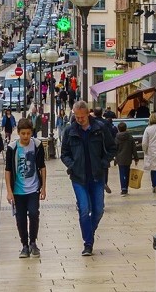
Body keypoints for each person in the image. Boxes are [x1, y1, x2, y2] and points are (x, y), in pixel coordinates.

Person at [58, 100, 115, 256]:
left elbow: (112, 148)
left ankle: (89, 230)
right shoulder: (70, 131)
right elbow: (64, 154)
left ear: (88, 113)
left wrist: (103, 163)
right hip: (78, 177)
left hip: (97, 176)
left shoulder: (100, 128)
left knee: (98, 210)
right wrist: (72, 165)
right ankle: (88, 243)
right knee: (84, 209)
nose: (80, 120)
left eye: (82, 117)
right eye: (77, 117)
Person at [6, 120, 47, 259]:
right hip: (18, 190)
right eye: (23, 133)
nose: (26, 136)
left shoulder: (37, 145)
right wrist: (9, 191)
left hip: (33, 188)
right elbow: (8, 170)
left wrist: (43, 188)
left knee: (34, 214)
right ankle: (24, 245)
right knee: (20, 217)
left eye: (28, 133)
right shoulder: (12, 148)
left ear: (32, 133)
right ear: (18, 133)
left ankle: (33, 242)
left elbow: (42, 166)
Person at [113, 123, 136, 196]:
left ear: (118, 129)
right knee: (127, 172)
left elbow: (115, 149)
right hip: (128, 157)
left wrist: (114, 158)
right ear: (126, 128)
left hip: (120, 158)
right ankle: (126, 187)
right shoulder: (130, 137)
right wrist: (136, 158)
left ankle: (123, 189)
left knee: (122, 173)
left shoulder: (116, 138)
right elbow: (133, 148)